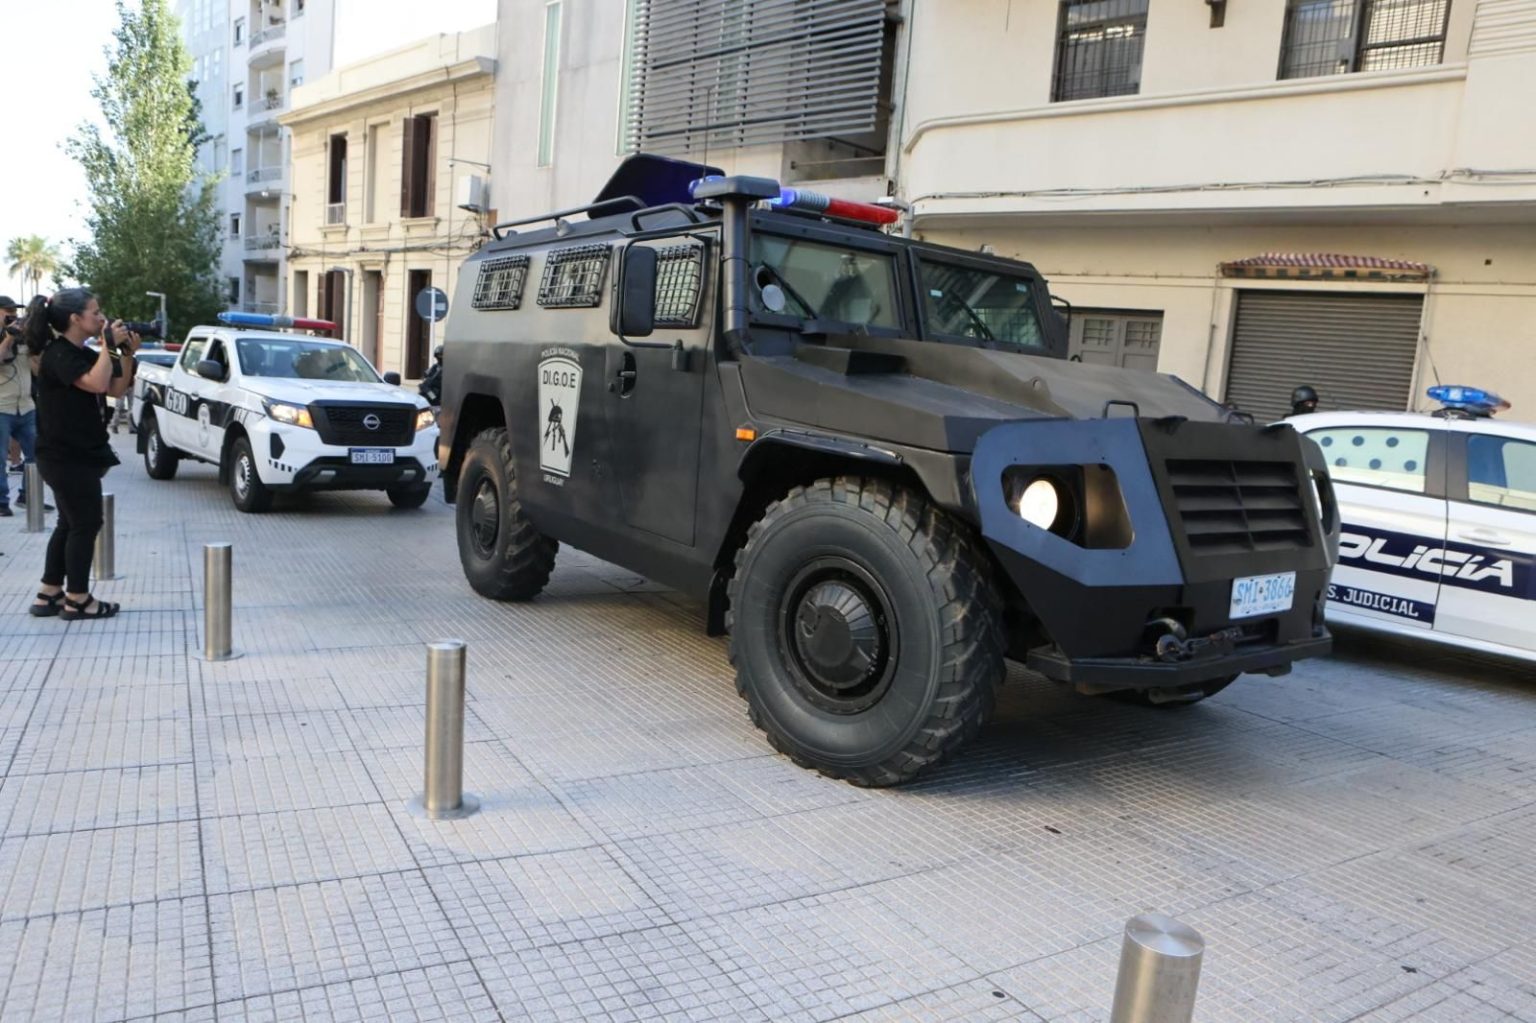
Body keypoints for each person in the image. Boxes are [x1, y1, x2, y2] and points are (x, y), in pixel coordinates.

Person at [22, 289, 139, 620]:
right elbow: (96, 383)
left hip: (74, 453)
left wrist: (125, 353)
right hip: (65, 456)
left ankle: (49, 593)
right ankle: (77, 599)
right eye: (95, 312)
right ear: (75, 318)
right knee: (86, 523)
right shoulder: (58, 354)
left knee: (69, 522)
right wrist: (107, 344)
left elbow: (115, 388)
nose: (102, 318)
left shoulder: (80, 352)